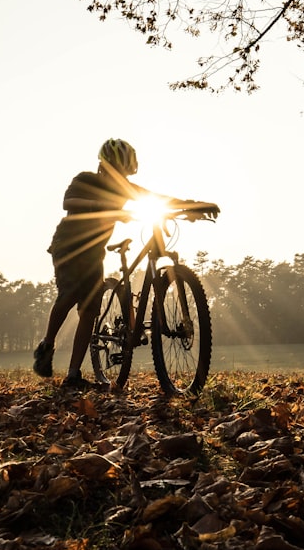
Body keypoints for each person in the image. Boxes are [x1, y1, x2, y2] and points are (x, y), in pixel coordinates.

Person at [33, 139, 218, 389]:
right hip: (68, 246)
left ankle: (73, 376)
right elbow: (70, 203)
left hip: (93, 252)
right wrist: (106, 210)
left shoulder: (125, 189)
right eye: (114, 170)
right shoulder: (84, 180)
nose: (117, 177)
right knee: (70, 295)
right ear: (103, 166)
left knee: (89, 310)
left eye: (122, 173)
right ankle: (47, 346)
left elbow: (156, 198)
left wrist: (193, 205)